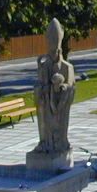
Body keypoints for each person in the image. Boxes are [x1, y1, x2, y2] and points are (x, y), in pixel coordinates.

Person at [32, 18, 75, 154]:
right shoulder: (43, 66)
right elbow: (39, 85)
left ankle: (60, 142)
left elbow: (71, 86)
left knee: (59, 125)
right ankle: (44, 142)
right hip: (46, 106)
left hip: (59, 107)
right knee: (45, 122)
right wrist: (41, 89)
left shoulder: (67, 67)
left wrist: (63, 88)